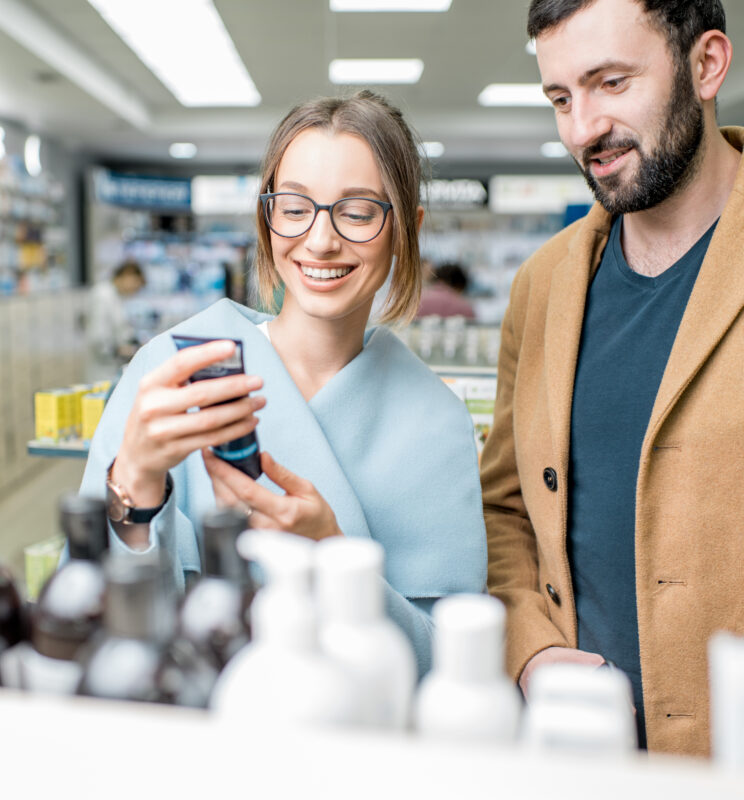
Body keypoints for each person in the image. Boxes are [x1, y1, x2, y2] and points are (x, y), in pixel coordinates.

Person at [79, 90, 487, 676]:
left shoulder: (436, 420)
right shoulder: (173, 369)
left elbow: (450, 666)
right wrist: (136, 483)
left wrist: (335, 558)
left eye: (358, 211)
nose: (321, 240)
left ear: (407, 228)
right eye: (295, 207)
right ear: (267, 218)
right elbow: (92, 616)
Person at [481, 0, 742, 756]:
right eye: (561, 98)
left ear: (706, 64)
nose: (581, 129)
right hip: (583, 757)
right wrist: (528, 647)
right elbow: (504, 508)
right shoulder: (543, 285)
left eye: (611, 83)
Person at [85, 259, 147, 382]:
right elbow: (98, 339)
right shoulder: (103, 294)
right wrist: (120, 351)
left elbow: (122, 330)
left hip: (113, 368)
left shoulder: (116, 296)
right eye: (136, 285)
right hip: (103, 370)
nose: (134, 291)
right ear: (127, 275)